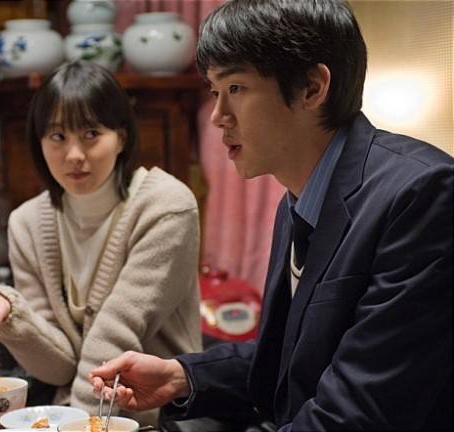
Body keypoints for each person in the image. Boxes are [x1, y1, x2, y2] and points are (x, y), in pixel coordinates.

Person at [91, 0, 453, 430]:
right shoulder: (299, 197)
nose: (218, 117)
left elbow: (360, 410)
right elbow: (289, 359)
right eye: (214, 92)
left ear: (311, 88)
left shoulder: (420, 194)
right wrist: (183, 376)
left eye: (236, 88)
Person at [0, 60, 202, 425]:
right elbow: (57, 366)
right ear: (39, 142)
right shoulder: (26, 223)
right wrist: (10, 312)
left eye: (91, 134)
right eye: (57, 136)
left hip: (164, 418)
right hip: (77, 414)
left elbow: (115, 332)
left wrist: (79, 425)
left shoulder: (165, 207)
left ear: (121, 137)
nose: (74, 155)